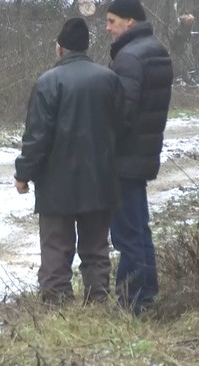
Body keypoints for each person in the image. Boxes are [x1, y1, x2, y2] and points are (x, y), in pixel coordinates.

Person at [14, 18, 124, 306]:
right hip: (100, 180)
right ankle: (97, 300)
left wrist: (23, 174)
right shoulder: (109, 80)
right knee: (96, 248)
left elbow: (37, 137)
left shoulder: (47, 82)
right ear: (86, 47)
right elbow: (122, 129)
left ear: (60, 49)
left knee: (56, 249)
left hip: (56, 183)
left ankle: (56, 304)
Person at [106, 0, 173, 315]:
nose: (107, 28)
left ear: (129, 21)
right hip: (144, 153)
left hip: (124, 158)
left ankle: (130, 303)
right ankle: (147, 291)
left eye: (112, 21)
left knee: (127, 234)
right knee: (140, 226)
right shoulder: (156, 50)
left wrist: (103, 142)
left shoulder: (129, 58)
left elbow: (123, 113)